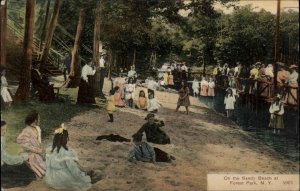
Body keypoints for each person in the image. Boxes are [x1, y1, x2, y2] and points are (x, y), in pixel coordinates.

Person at [44, 124, 101, 190]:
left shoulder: (49, 150)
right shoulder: (67, 152)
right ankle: (90, 176)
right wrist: (82, 176)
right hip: (62, 179)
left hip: (51, 179)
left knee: (84, 170)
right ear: (66, 139)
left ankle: (87, 173)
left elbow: (48, 166)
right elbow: (73, 170)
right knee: (89, 176)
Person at [1, 121, 36, 188]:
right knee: (23, 168)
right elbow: (7, 158)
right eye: (2, 130)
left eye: (6, 129)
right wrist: (21, 158)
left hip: (4, 162)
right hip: (2, 166)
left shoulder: (2, 138)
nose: (5, 132)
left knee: (23, 166)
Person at [16, 110, 46, 178]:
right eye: (39, 118)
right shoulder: (27, 130)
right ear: (35, 120)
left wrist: (41, 149)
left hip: (38, 152)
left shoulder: (38, 128)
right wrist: (38, 150)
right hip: (30, 153)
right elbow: (24, 144)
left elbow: (39, 142)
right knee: (41, 168)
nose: (39, 120)